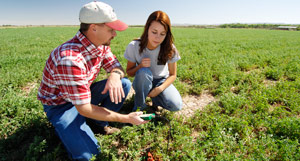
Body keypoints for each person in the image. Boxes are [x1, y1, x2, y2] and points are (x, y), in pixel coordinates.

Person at [37, 1, 148, 160]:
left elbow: (115, 65)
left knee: (123, 84)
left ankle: (97, 123)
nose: (114, 34)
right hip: (61, 106)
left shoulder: (101, 44)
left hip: (83, 95)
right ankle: (69, 126)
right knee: (90, 156)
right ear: (94, 28)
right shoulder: (69, 59)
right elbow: (84, 108)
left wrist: (115, 75)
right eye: (111, 29)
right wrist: (126, 118)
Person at [124, 11, 183, 112]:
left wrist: (159, 89)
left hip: (161, 81)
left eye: (162, 34)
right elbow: (129, 73)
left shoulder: (170, 48)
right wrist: (140, 66)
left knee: (176, 105)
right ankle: (139, 106)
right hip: (143, 79)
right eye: (154, 32)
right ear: (147, 29)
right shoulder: (134, 46)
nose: (157, 38)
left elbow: (173, 75)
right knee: (143, 72)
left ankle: (155, 99)